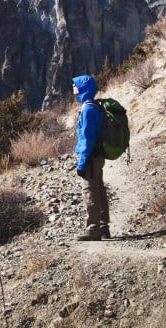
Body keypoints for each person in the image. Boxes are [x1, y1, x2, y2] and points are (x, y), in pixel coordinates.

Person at [73, 74, 110, 241]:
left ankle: (93, 229)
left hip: (90, 156)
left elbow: (86, 139)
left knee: (89, 190)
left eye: (75, 85)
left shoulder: (87, 109)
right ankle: (103, 227)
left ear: (83, 88)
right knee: (99, 189)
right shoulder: (93, 106)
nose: (73, 88)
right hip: (97, 155)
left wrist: (81, 163)